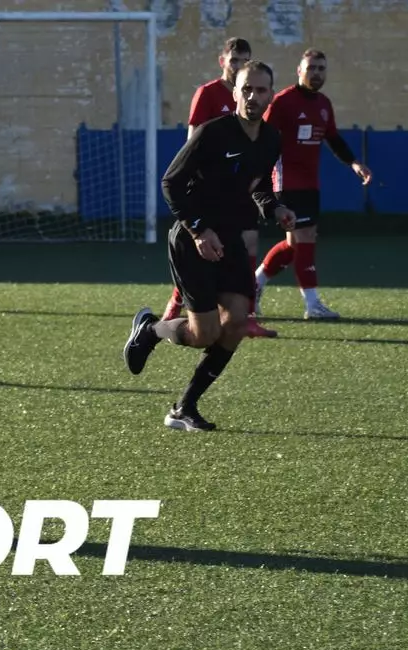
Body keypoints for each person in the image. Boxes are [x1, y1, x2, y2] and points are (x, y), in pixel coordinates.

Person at [123, 61, 294, 432]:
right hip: (192, 239)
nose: (253, 96)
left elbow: (260, 185)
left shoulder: (271, 139)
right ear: (235, 92)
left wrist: (275, 207)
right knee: (205, 333)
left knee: (237, 323)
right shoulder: (212, 133)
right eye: (246, 89)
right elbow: (171, 182)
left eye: (261, 90)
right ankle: (151, 330)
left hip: (231, 240)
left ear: (271, 95)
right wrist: (199, 230)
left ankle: (184, 408)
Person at [160, 38, 273, 338]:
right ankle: (178, 302)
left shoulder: (254, 98)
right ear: (222, 61)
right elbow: (193, 140)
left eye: (244, 60)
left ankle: (246, 315)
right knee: (204, 250)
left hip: (240, 186)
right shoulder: (208, 93)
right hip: (211, 189)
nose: (238, 65)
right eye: (234, 60)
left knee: (249, 243)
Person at [255, 49, 372, 320]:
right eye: (311, 68)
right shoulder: (283, 101)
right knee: (306, 238)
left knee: (294, 245)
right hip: (287, 181)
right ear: (299, 71)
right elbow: (262, 136)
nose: (316, 73)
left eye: (321, 68)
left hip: (310, 183)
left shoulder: (323, 104)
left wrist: (354, 163)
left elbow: (333, 138)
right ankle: (313, 304)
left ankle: (255, 283)